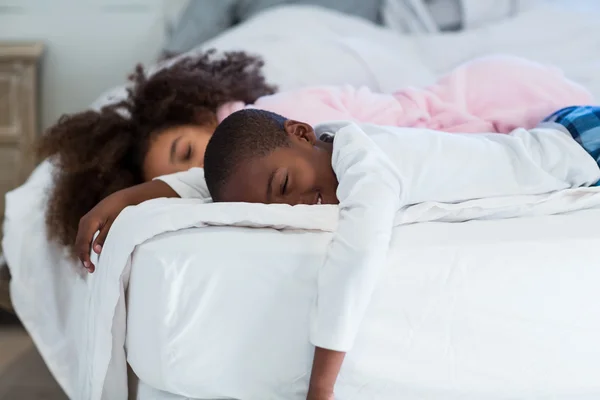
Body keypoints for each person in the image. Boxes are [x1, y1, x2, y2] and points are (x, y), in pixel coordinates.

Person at [75, 105, 600, 399]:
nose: (302, 204)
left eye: (287, 186)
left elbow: (356, 258)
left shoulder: (367, 166)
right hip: (560, 134)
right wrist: (125, 199)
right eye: (279, 206)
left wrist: (321, 385)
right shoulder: (314, 154)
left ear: (303, 133)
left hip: (579, 145)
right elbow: (208, 185)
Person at [42, 49, 590, 257]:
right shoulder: (250, 175)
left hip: (491, 95)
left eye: (188, 147)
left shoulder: (271, 118)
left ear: (203, 108)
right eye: (186, 169)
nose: (200, 164)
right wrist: (138, 196)